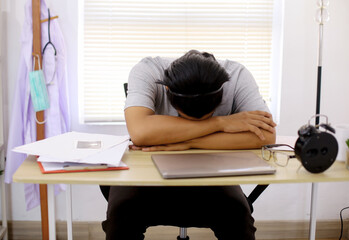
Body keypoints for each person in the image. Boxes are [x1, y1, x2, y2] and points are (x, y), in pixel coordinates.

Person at [101, 50, 276, 240]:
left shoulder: (237, 76)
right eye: (187, 121)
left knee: (238, 217)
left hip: (211, 174)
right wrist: (220, 123)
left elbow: (266, 135)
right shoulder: (147, 71)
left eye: (208, 117)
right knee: (121, 216)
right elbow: (140, 133)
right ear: (167, 91)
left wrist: (186, 141)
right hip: (146, 171)